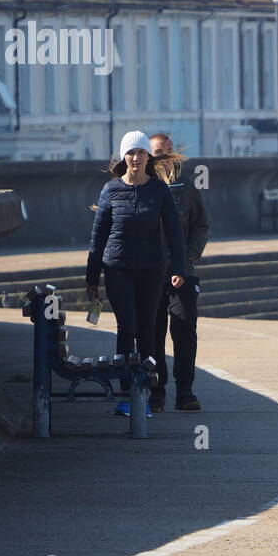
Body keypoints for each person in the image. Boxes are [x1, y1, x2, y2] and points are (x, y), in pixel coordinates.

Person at [85, 130, 186, 417]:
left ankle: (148, 391)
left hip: (152, 269)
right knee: (126, 326)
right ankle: (126, 391)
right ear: (123, 157)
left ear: (147, 157)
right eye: (130, 153)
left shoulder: (159, 190)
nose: (136, 158)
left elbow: (174, 233)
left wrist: (178, 269)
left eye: (141, 153)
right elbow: (98, 236)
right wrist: (91, 279)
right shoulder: (110, 190)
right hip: (118, 268)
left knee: (147, 331)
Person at [149, 132, 209, 412]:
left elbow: (200, 226)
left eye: (168, 152)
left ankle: (185, 391)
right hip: (149, 272)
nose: (165, 158)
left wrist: (187, 261)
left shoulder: (186, 187)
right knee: (152, 333)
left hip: (182, 272)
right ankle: (155, 391)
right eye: (158, 153)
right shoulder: (140, 186)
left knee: (184, 329)